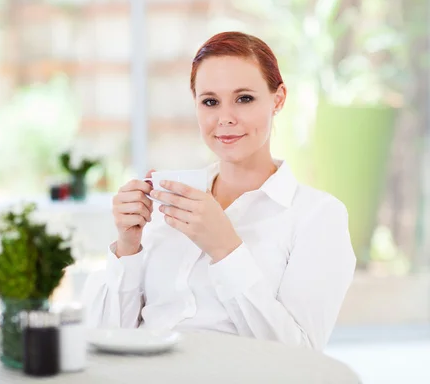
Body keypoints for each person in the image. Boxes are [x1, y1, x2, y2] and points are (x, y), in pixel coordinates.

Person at [82, 31, 356, 351]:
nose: (225, 118)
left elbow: (300, 358)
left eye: (244, 98)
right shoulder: (166, 202)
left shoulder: (317, 216)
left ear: (278, 99)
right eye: (210, 101)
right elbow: (102, 339)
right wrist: (127, 246)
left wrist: (225, 248)